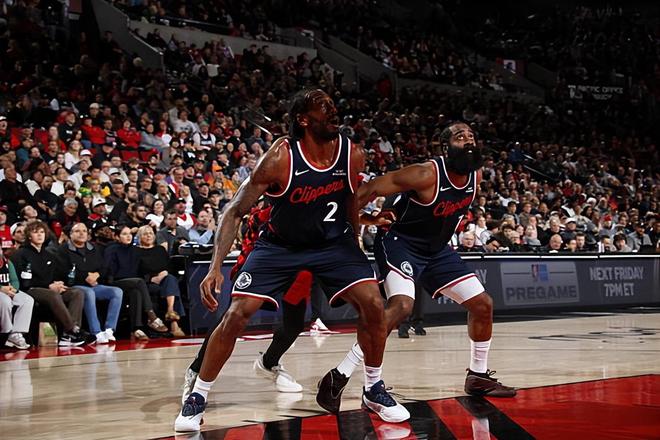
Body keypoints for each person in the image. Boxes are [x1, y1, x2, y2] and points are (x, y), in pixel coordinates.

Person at [175, 89, 408, 432]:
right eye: (323, 107)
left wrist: (359, 231)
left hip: (333, 244)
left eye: (333, 105)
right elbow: (235, 210)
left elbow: (348, 200)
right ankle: (197, 394)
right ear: (303, 119)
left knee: (373, 304)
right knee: (237, 313)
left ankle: (373, 388)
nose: (333, 111)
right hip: (281, 246)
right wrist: (214, 267)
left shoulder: (352, 154)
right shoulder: (279, 158)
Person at [321, 122, 516, 402]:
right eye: (460, 137)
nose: (468, 140)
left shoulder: (476, 175)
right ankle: (341, 373)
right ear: (445, 147)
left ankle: (478, 376)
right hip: (400, 243)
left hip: (436, 250)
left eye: (471, 136)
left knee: (482, 304)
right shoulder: (425, 174)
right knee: (401, 307)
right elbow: (368, 189)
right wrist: (361, 221)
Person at [10, 220, 87, 346]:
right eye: (35, 232)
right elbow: (24, 281)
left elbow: (54, 275)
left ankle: (69, 335)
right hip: (30, 289)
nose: (39, 235)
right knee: (53, 295)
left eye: (42, 232)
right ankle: (72, 330)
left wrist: (58, 284)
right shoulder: (21, 254)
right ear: (29, 236)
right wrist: (49, 286)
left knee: (77, 293)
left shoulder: (49, 254)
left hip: (49, 288)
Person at [57, 223, 123, 344]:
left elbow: (103, 267)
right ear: (70, 234)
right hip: (74, 286)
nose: (81, 233)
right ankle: (96, 332)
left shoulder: (94, 248)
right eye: (77, 231)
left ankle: (109, 329)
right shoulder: (63, 250)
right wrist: (86, 277)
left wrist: (97, 275)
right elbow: (64, 271)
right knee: (89, 292)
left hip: (93, 284)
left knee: (116, 292)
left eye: (84, 231)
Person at [105, 225, 169, 340]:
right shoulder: (112, 249)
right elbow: (108, 270)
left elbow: (142, 268)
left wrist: (152, 277)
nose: (128, 236)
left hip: (133, 283)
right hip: (115, 282)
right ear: (117, 237)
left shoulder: (135, 250)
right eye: (124, 234)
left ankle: (136, 328)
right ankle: (152, 317)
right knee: (139, 282)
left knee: (136, 292)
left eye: (130, 233)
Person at [135, 225, 185, 337]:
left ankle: (171, 313)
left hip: (165, 279)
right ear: (140, 237)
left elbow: (169, 267)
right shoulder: (136, 251)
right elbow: (136, 271)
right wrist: (151, 278)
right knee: (170, 286)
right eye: (145, 234)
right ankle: (174, 322)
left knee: (171, 279)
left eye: (150, 233)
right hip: (147, 282)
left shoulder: (160, 250)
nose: (148, 236)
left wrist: (165, 273)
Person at [0, 247, 34, 350]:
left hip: (8, 290)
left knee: (27, 300)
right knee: (5, 301)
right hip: (2, 291)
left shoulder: (6, 262)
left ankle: (16, 333)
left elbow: (14, 280)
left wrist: (13, 289)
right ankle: (6, 331)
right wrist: (1, 288)